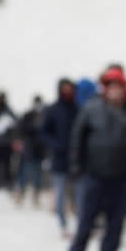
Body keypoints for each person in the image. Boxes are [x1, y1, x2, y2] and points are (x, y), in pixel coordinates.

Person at [61, 68, 126, 251]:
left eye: (118, 87)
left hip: (122, 174)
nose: (114, 91)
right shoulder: (92, 109)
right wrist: (76, 165)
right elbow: (78, 139)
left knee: (116, 218)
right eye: (110, 87)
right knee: (87, 216)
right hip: (94, 172)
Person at [44, 78, 79, 238]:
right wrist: (55, 145)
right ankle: (63, 225)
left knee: (79, 194)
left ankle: (80, 224)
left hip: (77, 159)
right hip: (59, 158)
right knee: (60, 194)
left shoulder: (78, 109)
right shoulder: (53, 109)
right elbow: (45, 132)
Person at [15, 95, 47, 206]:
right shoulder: (28, 115)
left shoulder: (44, 116)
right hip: (29, 149)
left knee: (38, 175)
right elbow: (21, 129)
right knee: (25, 173)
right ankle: (20, 194)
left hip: (39, 150)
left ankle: (35, 197)